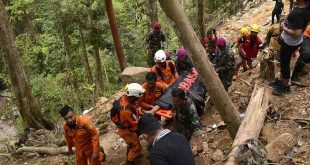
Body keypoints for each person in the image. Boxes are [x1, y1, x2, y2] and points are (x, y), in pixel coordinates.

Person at [272, 0, 310, 95]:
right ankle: (281, 80)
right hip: (295, 41)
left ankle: (285, 86)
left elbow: (297, 33)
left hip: (289, 42)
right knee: (284, 61)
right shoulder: (305, 7)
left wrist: (284, 28)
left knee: (284, 62)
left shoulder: (299, 13)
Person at [117, 83, 145, 164]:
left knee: (132, 144)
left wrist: (139, 111)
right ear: (133, 97)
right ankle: (129, 162)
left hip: (126, 128)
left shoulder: (124, 98)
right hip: (128, 131)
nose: (138, 99)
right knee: (135, 147)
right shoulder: (125, 111)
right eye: (137, 97)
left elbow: (134, 108)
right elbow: (134, 123)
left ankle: (131, 154)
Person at [171, 88, 204, 153]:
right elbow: (174, 110)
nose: (175, 103)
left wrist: (199, 143)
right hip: (180, 122)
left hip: (188, 124)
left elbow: (196, 124)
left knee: (185, 140)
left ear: (183, 99)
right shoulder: (175, 102)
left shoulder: (190, 107)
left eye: (177, 101)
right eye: (174, 101)